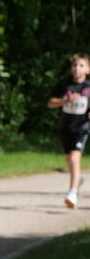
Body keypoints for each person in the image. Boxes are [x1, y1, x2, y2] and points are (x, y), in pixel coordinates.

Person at [48, 53, 90, 208]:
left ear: (88, 70)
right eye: (75, 65)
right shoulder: (64, 84)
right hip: (66, 127)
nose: (77, 68)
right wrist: (65, 100)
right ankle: (77, 181)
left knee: (74, 159)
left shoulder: (89, 87)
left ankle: (72, 193)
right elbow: (50, 103)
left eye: (81, 65)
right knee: (69, 160)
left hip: (82, 127)